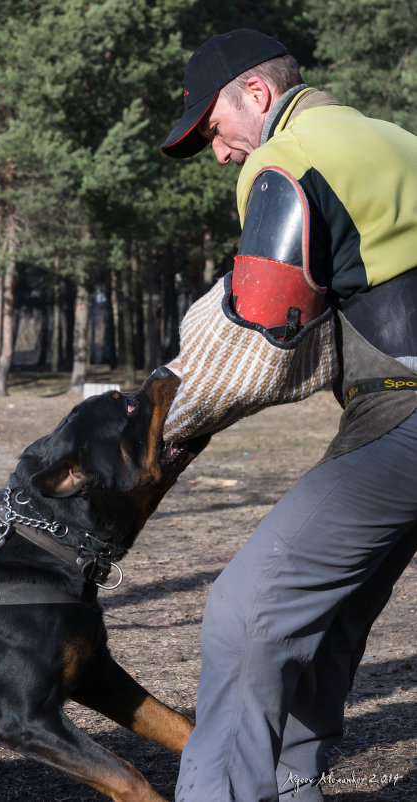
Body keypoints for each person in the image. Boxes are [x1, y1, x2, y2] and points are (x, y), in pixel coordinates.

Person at [160, 28, 417, 802]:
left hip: (405, 418)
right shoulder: (395, 139)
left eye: (214, 128)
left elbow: (264, 329)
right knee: (331, 611)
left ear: (259, 96)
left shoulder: (288, 158)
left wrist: (167, 418)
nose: (221, 152)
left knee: (248, 612)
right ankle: (292, 778)